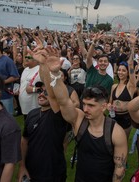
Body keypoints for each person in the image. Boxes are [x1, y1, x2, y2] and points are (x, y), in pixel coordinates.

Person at [41, 50, 127, 182]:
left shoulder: (116, 132)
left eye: (91, 105)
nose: (85, 109)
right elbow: (63, 101)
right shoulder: (79, 120)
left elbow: (120, 168)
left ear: (104, 107)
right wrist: (55, 74)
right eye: (84, 104)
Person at [18, 81, 68, 182]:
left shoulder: (60, 115)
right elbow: (24, 140)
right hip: (31, 171)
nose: (41, 94)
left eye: (46, 93)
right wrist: (22, 166)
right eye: (40, 91)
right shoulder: (32, 114)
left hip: (53, 173)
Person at [109, 34, 137, 139]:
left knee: (123, 143)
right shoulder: (114, 86)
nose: (120, 72)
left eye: (123, 70)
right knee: (110, 142)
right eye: (119, 70)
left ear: (127, 73)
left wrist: (132, 47)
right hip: (112, 116)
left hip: (125, 118)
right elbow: (110, 101)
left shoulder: (130, 86)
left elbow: (131, 65)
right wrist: (109, 106)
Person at [0, 40, 20, 115]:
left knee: (7, 116)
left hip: (5, 94)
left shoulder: (7, 61)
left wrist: (2, 82)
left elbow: (15, 76)